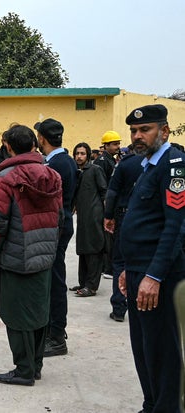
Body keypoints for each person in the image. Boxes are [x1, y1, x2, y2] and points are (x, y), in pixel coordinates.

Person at [0, 124, 63, 386]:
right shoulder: (52, 175)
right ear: (33, 145)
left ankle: (24, 370)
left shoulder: (5, 178)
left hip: (16, 258)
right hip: (44, 255)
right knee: (39, 313)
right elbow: (60, 217)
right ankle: (35, 365)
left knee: (16, 317)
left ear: (7, 146)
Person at [119, 104, 185, 413]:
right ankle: (152, 404)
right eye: (133, 131)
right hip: (137, 271)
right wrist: (127, 270)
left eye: (145, 130)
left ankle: (167, 407)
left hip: (156, 274)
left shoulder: (173, 165)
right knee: (143, 347)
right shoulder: (147, 166)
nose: (137, 136)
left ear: (164, 131)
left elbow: (175, 226)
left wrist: (154, 275)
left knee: (161, 349)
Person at [35, 118, 77, 357]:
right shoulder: (66, 161)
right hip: (62, 224)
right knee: (54, 280)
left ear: (42, 138)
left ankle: (57, 335)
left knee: (55, 283)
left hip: (56, 228)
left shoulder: (55, 165)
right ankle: (55, 330)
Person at [103, 147, 143, 322]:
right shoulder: (160, 162)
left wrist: (108, 216)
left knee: (120, 261)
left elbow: (112, 193)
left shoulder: (125, 164)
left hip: (125, 215)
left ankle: (119, 308)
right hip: (150, 217)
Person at [70, 142, 107, 297]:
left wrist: (106, 215)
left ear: (88, 155)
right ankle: (84, 282)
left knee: (93, 249)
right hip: (83, 217)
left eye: (82, 153)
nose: (79, 156)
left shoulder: (95, 170)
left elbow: (104, 192)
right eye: (77, 153)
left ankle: (91, 286)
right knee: (83, 249)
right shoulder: (77, 172)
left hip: (94, 215)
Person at [94, 130, 122, 281]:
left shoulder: (111, 159)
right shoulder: (103, 161)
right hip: (105, 203)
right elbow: (103, 186)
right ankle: (106, 268)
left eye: (118, 143)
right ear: (106, 145)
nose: (117, 146)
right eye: (114, 144)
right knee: (107, 237)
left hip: (110, 201)